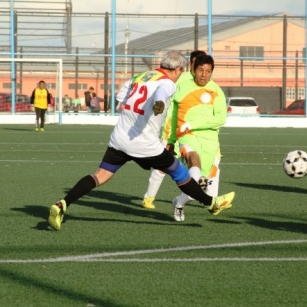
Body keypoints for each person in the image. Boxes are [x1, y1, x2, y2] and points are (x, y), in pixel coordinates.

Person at [48, 51, 235, 231]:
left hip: (120, 138)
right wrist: (158, 103)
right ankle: (211, 204)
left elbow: (121, 96)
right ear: (177, 69)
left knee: (100, 176)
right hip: (144, 144)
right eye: (181, 71)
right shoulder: (168, 83)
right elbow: (162, 92)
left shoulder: (142, 76)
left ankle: (62, 204)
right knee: (179, 172)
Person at [142, 50, 207, 210]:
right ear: (190, 64)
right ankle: (149, 197)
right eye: (196, 63)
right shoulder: (180, 78)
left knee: (194, 160)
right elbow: (171, 103)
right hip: (172, 127)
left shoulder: (201, 82)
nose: (198, 68)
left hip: (188, 131)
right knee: (163, 163)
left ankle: (197, 195)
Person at [168, 54, 227, 221]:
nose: (204, 75)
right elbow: (172, 116)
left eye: (208, 71)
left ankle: (178, 202)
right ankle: (193, 184)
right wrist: (171, 140)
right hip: (188, 137)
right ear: (193, 70)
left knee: (203, 192)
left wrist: (194, 123)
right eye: (200, 70)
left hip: (211, 142)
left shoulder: (217, 91)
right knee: (194, 162)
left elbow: (220, 119)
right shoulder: (181, 87)